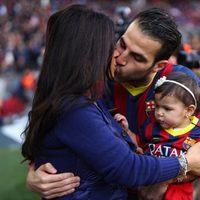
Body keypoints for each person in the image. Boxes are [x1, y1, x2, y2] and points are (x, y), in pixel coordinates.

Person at [25, 7, 200, 199]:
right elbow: (51, 124)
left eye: (137, 57)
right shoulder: (93, 80)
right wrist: (34, 171)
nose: (121, 58)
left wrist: (168, 180)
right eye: (121, 44)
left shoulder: (180, 82)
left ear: (158, 66)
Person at [115, 71, 200, 200]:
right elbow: (138, 143)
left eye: (167, 109)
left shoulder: (197, 132)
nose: (159, 113)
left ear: (188, 110)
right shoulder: (152, 126)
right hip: (144, 185)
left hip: (177, 193)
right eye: (157, 106)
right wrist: (126, 131)